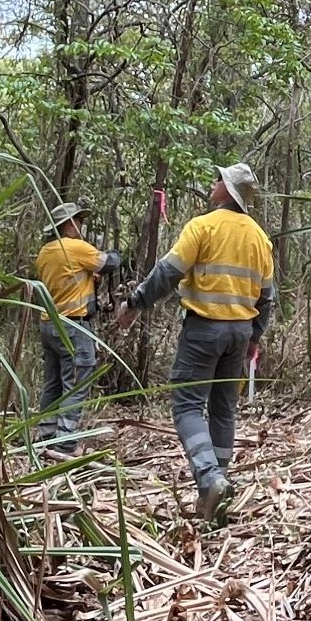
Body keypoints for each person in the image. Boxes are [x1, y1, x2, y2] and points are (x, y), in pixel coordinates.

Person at [115, 163, 273, 522]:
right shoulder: (260, 238)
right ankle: (216, 493)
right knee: (223, 409)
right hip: (239, 333)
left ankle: (209, 476)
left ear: (227, 191)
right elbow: (267, 298)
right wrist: (255, 338)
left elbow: (168, 272)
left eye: (219, 179)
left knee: (187, 405)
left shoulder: (204, 226)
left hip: (204, 329)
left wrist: (135, 303)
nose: (213, 183)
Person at [31, 201, 119, 455]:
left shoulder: (45, 252)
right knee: (77, 383)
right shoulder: (75, 248)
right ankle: (66, 442)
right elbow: (109, 262)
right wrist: (114, 255)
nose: (80, 227)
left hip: (49, 324)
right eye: (79, 221)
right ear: (69, 224)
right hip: (73, 326)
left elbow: (67, 279)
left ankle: (46, 435)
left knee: (53, 382)